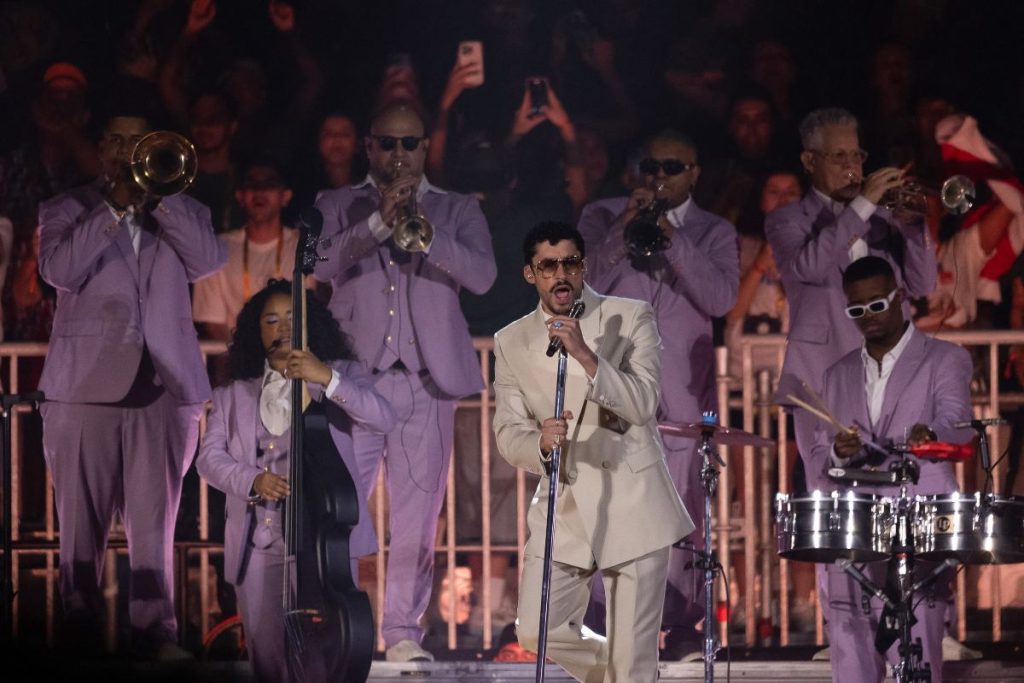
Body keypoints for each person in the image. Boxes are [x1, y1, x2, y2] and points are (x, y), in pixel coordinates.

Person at [36, 112, 227, 657]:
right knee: (79, 524)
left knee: (155, 521)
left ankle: (156, 631)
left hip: (164, 387)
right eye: (116, 141)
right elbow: (60, 271)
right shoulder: (67, 209)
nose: (126, 151)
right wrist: (115, 208)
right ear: (100, 150)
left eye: (138, 142)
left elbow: (208, 261)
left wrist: (159, 198)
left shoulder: (183, 207)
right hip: (83, 387)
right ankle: (79, 628)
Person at [313, 101, 496, 661]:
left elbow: (484, 277)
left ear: (424, 148)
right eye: (387, 144)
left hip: (426, 382)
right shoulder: (337, 203)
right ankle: (340, 623)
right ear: (369, 147)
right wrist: (374, 224)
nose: (399, 155)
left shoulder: (458, 208)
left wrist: (429, 235)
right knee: (340, 511)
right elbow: (319, 264)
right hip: (355, 380)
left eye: (409, 144)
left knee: (418, 518)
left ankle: (402, 633)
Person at [493, 221, 692, 682]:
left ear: (583, 266)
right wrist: (538, 443)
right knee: (536, 631)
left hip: (633, 499)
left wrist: (585, 354)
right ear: (530, 274)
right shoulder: (511, 340)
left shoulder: (630, 315)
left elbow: (643, 403)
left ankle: (632, 674)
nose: (561, 274)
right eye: (548, 266)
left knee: (631, 660)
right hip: (563, 503)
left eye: (571, 262)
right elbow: (507, 430)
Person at [576, 128, 739, 658]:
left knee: (683, 505)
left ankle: (684, 626)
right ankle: (605, 620)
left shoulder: (714, 231)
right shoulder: (602, 216)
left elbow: (719, 297)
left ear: (694, 174)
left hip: (682, 393)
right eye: (651, 166)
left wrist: (671, 236)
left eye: (672, 167)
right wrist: (627, 226)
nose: (659, 176)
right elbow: (579, 284)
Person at [196, 279, 395, 683]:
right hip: (259, 542)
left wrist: (326, 377)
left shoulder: (342, 375)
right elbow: (209, 458)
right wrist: (252, 480)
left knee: (324, 656)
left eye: (292, 316)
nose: (282, 326)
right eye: (271, 320)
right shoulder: (235, 392)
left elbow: (383, 417)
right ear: (258, 331)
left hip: (323, 543)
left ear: (310, 323)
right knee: (268, 658)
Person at [809, 256, 973, 683]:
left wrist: (929, 433)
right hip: (853, 528)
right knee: (851, 658)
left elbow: (957, 425)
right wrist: (841, 451)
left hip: (918, 523)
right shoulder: (837, 373)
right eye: (856, 310)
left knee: (917, 658)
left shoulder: (945, 358)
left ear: (900, 297)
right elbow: (821, 452)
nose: (868, 318)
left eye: (877, 305)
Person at [765, 107, 936, 495]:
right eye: (839, 156)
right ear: (810, 161)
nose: (852, 167)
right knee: (832, 501)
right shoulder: (787, 220)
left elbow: (923, 285)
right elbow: (809, 266)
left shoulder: (884, 219)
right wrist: (863, 205)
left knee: (897, 495)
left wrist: (913, 227)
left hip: (892, 373)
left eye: (857, 156)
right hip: (823, 379)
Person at [193, 160, 301, 342]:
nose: (259, 192)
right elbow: (214, 324)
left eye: (269, 185)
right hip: (236, 361)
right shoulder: (217, 249)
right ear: (240, 196)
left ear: (285, 196)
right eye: (252, 185)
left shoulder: (303, 246)